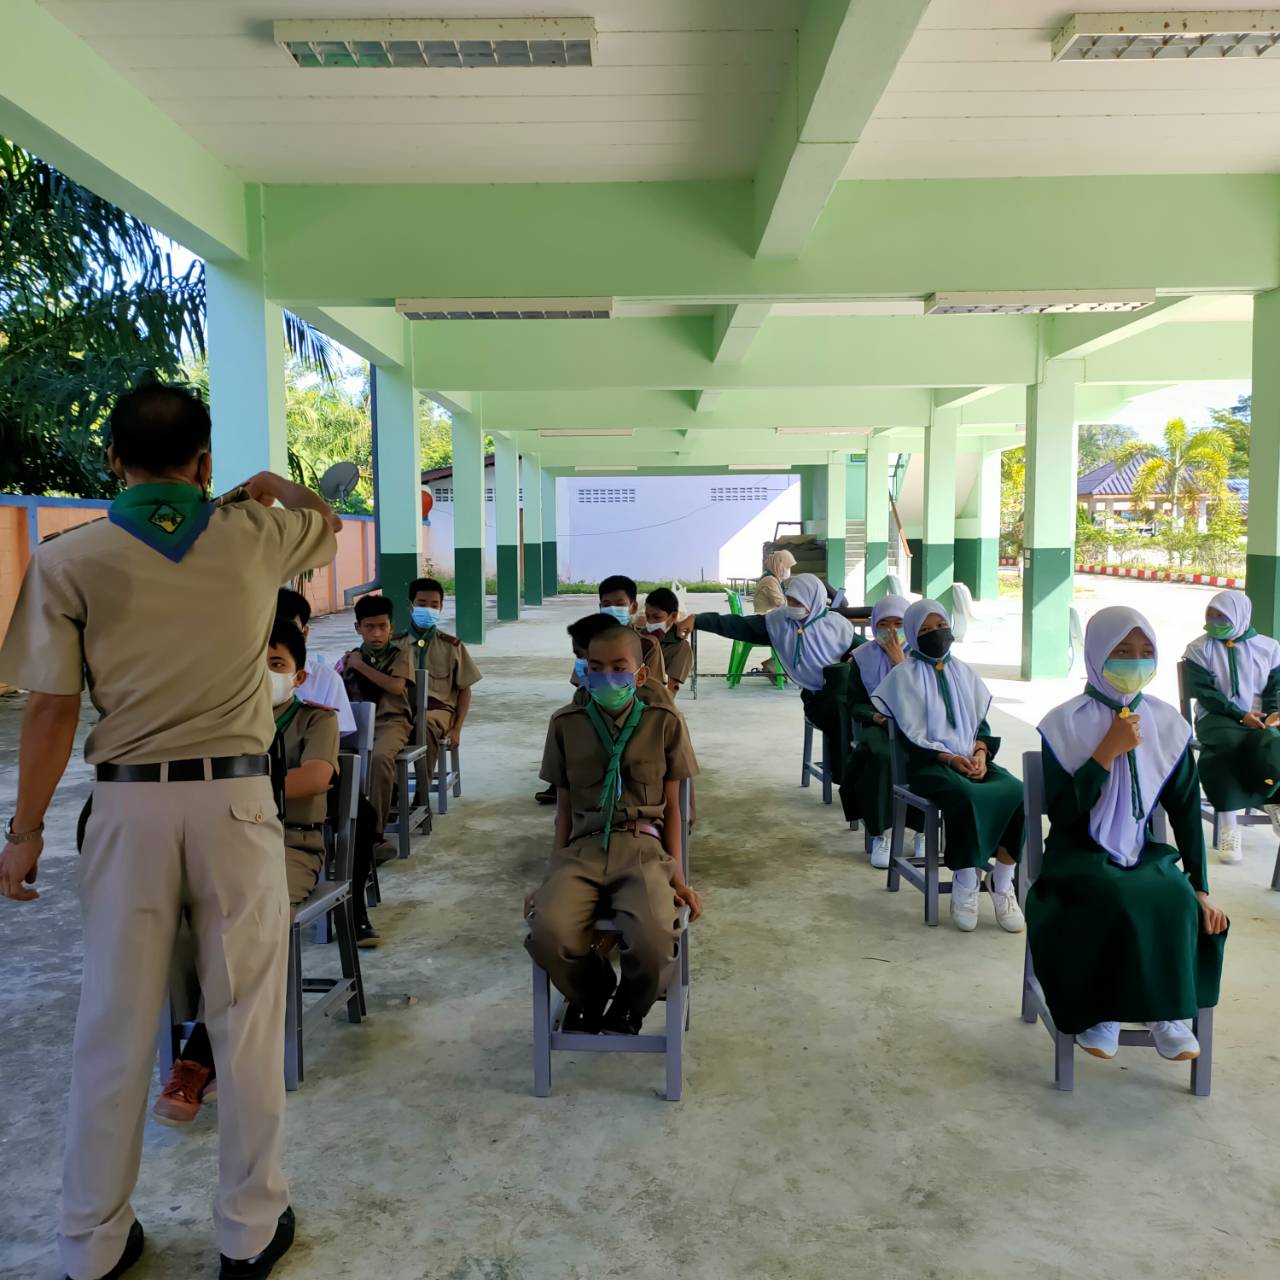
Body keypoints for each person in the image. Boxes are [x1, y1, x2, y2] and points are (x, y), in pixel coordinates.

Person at [0, 383, 339, 1280]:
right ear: (205, 462)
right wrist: (271, 483)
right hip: (237, 804)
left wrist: (25, 831)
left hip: (127, 809)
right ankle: (247, 1233)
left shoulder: (69, 559)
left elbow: (50, 710)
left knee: (113, 1025)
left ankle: (93, 1245)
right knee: (246, 1020)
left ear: (113, 458)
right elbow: (326, 519)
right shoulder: (256, 533)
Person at [155, 619, 340, 1126]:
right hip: (221, 845)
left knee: (249, 920)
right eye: (254, 664)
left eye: (276, 664)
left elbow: (316, 777)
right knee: (170, 919)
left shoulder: (315, 720)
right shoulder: (218, 724)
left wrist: (235, 789)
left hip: (289, 846)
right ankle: (220, 1031)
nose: (263, 674)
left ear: (298, 676)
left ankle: (196, 1059)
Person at [1031, 606, 1229, 1062]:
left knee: (1173, 897)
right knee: (1112, 895)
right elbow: (1064, 814)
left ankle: (1167, 1015)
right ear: (1097, 652)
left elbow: (1185, 811)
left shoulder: (1168, 724)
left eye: (1145, 651)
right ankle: (1104, 1012)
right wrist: (1107, 751)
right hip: (1076, 852)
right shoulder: (1064, 723)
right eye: (1122, 651)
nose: (1135, 661)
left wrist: (1199, 887)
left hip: (1140, 850)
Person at [526, 624, 702, 1034]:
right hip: (583, 849)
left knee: (655, 938)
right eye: (596, 667)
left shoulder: (664, 721)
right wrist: (550, 875)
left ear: (640, 674)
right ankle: (593, 988)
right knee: (548, 931)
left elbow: (675, 809)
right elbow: (563, 812)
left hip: (643, 848)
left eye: (619, 667)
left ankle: (630, 1002)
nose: (607, 676)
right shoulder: (566, 723)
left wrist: (678, 877)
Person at [870, 598, 1025, 934]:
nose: (936, 634)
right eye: (925, 629)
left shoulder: (965, 672)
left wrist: (980, 754)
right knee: (965, 796)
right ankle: (966, 879)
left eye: (941, 626)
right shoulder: (904, 677)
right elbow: (910, 738)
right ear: (914, 634)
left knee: (1018, 792)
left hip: (971, 758)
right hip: (930, 765)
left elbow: (980, 726)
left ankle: (1002, 880)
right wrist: (951, 758)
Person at [678, 573, 856, 729]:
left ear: (814, 600)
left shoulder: (837, 625)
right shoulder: (779, 623)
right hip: (816, 699)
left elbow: (863, 650)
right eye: (790, 600)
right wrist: (698, 620)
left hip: (842, 692)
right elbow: (738, 625)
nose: (792, 606)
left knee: (858, 711)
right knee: (843, 717)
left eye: (798, 602)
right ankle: (843, 757)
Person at [1180, 588, 1280, 864]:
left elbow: (1274, 689)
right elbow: (1207, 695)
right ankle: (1228, 826)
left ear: (1239, 616)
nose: (1214, 622)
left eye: (1221, 616)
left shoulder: (1270, 648)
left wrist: (1272, 715)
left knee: (1271, 743)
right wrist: (1240, 715)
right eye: (1210, 615)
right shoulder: (1199, 649)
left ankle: (1273, 800)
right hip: (1217, 717)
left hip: (1260, 717)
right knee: (1228, 745)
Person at [834, 595, 922, 871]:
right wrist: (875, 715)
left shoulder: (922, 655)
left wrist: (899, 664)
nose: (892, 631)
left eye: (899, 623)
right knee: (881, 757)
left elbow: (927, 701)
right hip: (880, 725)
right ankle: (881, 833)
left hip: (920, 726)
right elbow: (855, 702)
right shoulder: (863, 657)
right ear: (873, 626)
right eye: (884, 624)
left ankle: (922, 831)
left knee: (924, 757)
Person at [340, 595, 416, 855]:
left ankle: (374, 836)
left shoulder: (400, 654)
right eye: (369, 627)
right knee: (332, 758)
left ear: (391, 628)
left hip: (392, 722)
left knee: (380, 758)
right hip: (358, 724)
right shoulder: (351, 657)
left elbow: (395, 686)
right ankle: (340, 829)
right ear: (358, 628)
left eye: (382, 626)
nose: (376, 633)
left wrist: (359, 666)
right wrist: (347, 666)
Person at [397, 576, 482, 773]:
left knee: (425, 724)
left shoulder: (451, 646)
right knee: (386, 731)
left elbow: (465, 690)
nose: (428, 609)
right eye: (422, 604)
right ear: (411, 606)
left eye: (434, 605)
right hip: (402, 710)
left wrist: (457, 728)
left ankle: (423, 788)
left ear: (441, 607)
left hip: (439, 712)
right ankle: (393, 787)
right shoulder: (396, 645)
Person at [535, 614, 619, 806]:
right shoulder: (584, 694)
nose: (580, 661)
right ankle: (559, 783)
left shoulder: (650, 696)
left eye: (581, 655)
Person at [275, 587, 355, 736]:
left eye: (291, 631)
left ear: (305, 633)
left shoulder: (328, 680)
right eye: (274, 631)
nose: (281, 640)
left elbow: (336, 738)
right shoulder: (246, 679)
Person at [598, 574, 667, 687]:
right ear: (600, 608)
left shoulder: (647, 644)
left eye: (620, 604)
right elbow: (581, 684)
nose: (613, 609)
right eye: (606, 605)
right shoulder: (589, 642)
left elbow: (653, 688)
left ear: (634, 607)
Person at [643, 587, 693, 696]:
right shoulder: (639, 635)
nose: (650, 622)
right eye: (647, 616)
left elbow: (669, 690)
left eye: (657, 617)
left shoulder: (680, 648)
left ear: (673, 616)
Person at [753, 551, 795, 678]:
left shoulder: (774, 579)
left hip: (768, 620)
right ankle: (775, 664)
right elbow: (781, 604)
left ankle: (776, 664)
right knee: (798, 632)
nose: (789, 570)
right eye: (787, 567)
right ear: (779, 565)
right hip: (763, 623)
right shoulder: (770, 580)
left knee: (798, 631)